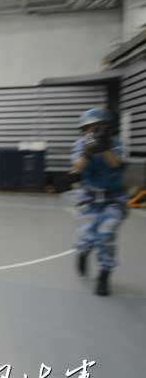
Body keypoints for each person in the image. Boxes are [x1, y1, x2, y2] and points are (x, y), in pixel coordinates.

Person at [71, 108, 127, 296]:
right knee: (87, 236)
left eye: (98, 127)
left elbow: (116, 164)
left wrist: (105, 147)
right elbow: (77, 169)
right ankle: (83, 252)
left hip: (114, 199)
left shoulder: (115, 143)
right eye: (90, 128)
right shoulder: (80, 144)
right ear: (84, 129)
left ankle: (104, 274)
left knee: (106, 234)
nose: (94, 131)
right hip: (90, 200)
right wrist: (87, 153)